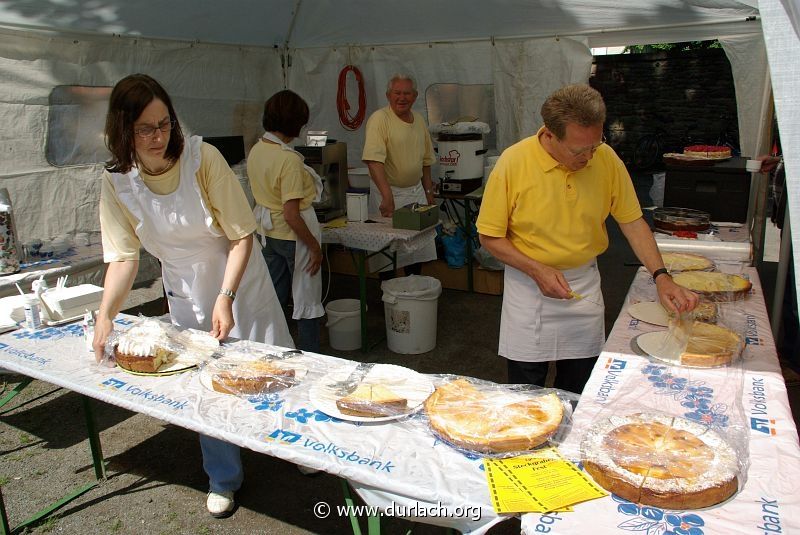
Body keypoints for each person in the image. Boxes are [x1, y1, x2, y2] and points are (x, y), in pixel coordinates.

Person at [94, 74, 294, 518]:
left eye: (164, 124)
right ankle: (223, 476)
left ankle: (298, 451)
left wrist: (226, 296)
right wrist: (106, 314)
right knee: (206, 385)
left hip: (237, 279)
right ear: (122, 130)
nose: (158, 137)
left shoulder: (202, 159)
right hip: (184, 289)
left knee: (272, 369)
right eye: (144, 129)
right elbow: (123, 257)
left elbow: (241, 236)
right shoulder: (118, 181)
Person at [476, 84, 698, 394]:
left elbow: (633, 222)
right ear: (550, 135)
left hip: (583, 286)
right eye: (580, 150)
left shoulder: (605, 159)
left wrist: (662, 276)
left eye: (596, 144)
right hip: (529, 288)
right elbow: (490, 237)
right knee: (525, 393)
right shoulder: (514, 162)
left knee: (578, 387)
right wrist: (537, 269)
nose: (590, 156)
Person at [247, 90, 324, 352]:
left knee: (275, 296)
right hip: (294, 237)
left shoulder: (257, 150)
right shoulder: (288, 159)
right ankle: (310, 354)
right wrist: (314, 246)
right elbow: (291, 214)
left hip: (268, 234)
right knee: (306, 299)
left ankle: (271, 349)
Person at [362, 74, 437, 277]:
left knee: (417, 250)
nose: (402, 98)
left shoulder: (419, 120)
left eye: (407, 93)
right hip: (389, 193)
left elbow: (426, 161)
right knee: (387, 252)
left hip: (416, 194)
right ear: (388, 95)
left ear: (415, 96)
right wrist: (387, 196)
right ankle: (389, 294)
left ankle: (414, 289)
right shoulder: (380, 119)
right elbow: (373, 161)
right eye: (397, 93)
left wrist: (429, 192)